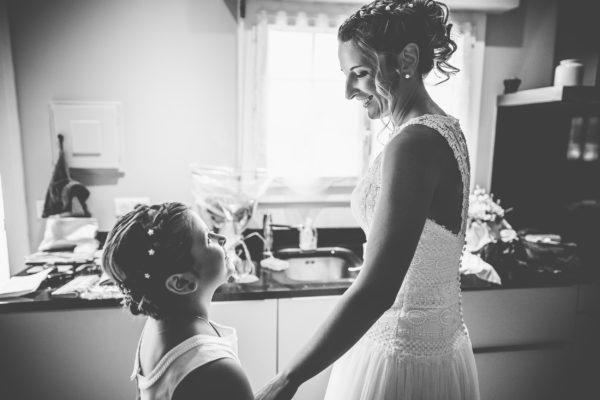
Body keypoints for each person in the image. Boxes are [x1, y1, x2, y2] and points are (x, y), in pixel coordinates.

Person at [255, 0, 479, 399]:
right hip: (438, 346)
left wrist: (288, 378)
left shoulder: (414, 143)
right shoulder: (445, 130)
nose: (347, 91)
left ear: (406, 59)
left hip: (401, 357)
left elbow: (376, 288)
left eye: (359, 73)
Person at [102, 202, 253, 400]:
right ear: (181, 282)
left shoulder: (156, 326)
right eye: (208, 238)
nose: (222, 238)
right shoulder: (218, 371)